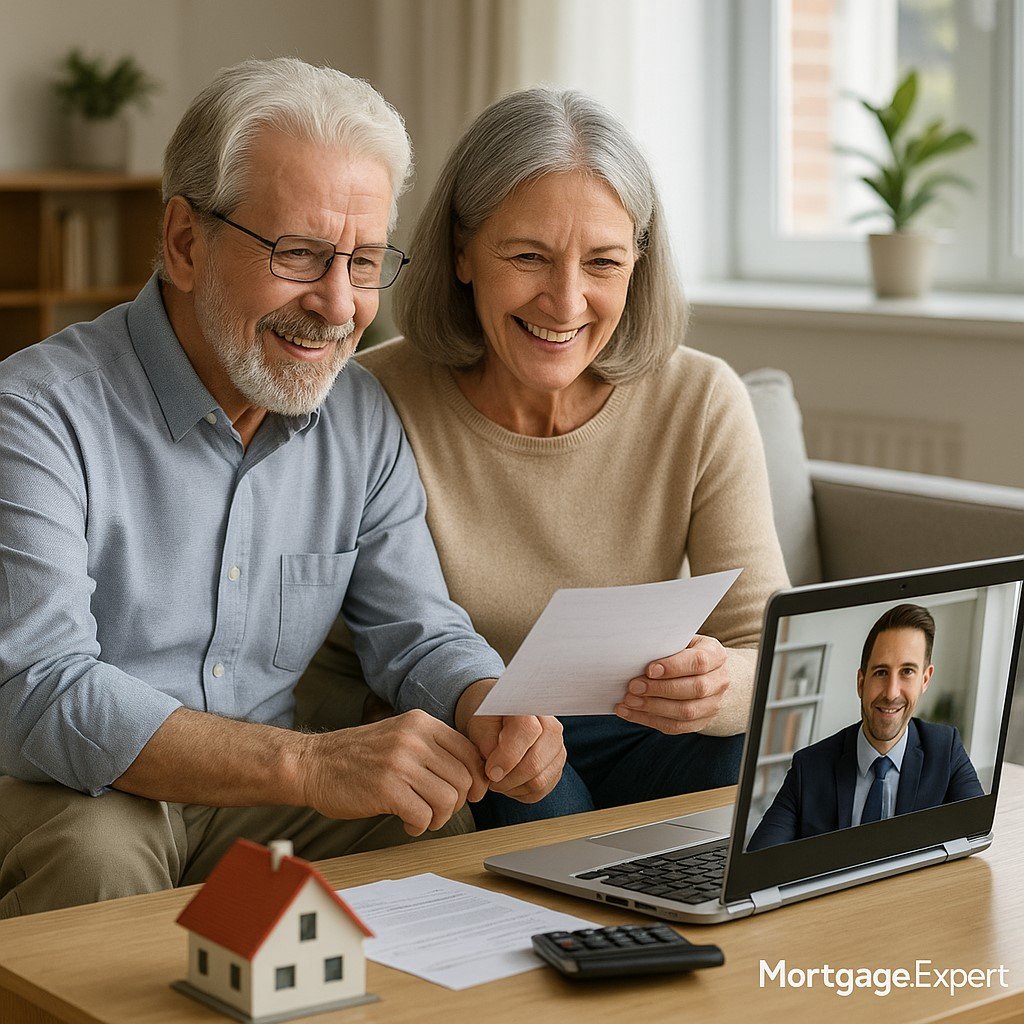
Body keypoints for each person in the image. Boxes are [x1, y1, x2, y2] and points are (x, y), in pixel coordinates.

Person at [0, 58, 565, 919]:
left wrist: (485, 699)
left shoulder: (360, 414)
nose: (339, 306)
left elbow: (415, 631)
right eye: (300, 254)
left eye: (367, 261)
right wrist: (307, 765)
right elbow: (42, 689)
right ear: (185, 242)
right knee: (98, 862)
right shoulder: (36, 413)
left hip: (262, 796)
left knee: (442, 834)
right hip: (72, 784)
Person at [297, 87, 791, 827]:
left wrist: (721, 685)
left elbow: (770, 644)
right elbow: (346, 658)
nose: (565, 302)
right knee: (523, 788)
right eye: (529, 256)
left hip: (633, 726)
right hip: (465, 734)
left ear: (639, 264)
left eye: (603, 262)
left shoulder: (701, 398)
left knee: (737, 753)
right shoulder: (372, 400)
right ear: (463, 252)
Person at [748, 604, 984, 851]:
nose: (892, 693)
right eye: (881, 672)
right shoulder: (809, 768)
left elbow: (977, 836)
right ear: (861, 682)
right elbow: (759, 861)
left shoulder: (946, 750)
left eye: (907, 672)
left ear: (925, 680)